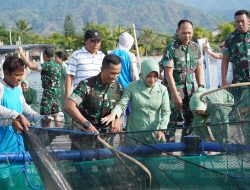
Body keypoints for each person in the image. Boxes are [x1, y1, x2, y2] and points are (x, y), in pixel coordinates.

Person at [101, 59, 171, 146]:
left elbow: (166, 112)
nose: (152, 80)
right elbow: (122, 104)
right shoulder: (132, 87)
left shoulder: (162, 90)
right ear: (143, 73)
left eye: (155, 76)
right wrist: (114, 114)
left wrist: (161, 129)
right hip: (134, 136)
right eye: (149, 76)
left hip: (155, 135)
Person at [64, 54, 123, 149]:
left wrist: (118, 119)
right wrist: (87, 124)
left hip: (105, 140)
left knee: (105, 163)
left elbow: (120, 107)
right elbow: (69, 106)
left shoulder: (118, 87)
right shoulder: (87, 85)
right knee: (81, 163)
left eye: (118, 73)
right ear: (102, 69)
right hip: (83, 137)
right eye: (112, 73)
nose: (115, 77)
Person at [161, 19, 204, 142]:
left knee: (190, 120)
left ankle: (187, 149)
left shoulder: (195, 47)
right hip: (173, 90)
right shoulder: (171, 48)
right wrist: (175, 95)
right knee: (172, 121)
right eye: (184, 33)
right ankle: (170, 155)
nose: (187, 35)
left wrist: (200, 87)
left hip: (190, 91)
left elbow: (199, 68)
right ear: (177, 32)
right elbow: (168, 73)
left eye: (189, 32)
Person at [0, 56, 43, 153]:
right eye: (17, 75)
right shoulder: (1, 87)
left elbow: (23, 106)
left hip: (18, 145)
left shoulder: (18, 87)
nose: (20, 79)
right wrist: (16, 115)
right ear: (6, 73)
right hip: (2, 149)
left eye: (22, 75)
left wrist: (38, 117)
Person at [19, 47, 61, 127]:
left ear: (45, 55)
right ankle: (58, 132)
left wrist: (22, 54)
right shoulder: (57, 65)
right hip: (56, 94)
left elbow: (31, 66)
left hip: (48, 94)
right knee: (56, 114)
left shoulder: (47, 65)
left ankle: (46, 133)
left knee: (45, 115)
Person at [65, 29, 105, 99]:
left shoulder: (102, 56)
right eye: (92, 41)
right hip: (80, 96)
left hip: (97, 97)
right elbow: (70, 76)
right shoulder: (77, 54)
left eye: (98, 41)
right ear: (85, 41)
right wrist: (67, 97)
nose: (96, 44)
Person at [221, 10, 250, 87]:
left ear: (248, 20)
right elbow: (225, 60)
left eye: (242, 21)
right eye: (237, 22)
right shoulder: (230, 38)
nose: (240, 24)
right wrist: (224, 80)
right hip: (240, 83)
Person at [55, 51, 72, 125]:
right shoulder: (60, 66)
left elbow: (69, 79)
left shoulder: (64, 66)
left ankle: (69, 124)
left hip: (65, 91)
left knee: (66, 108)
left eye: (56, 57)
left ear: (60, 58)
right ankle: (67, 123)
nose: (54, 59)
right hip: (61, 91)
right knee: (63, 108)